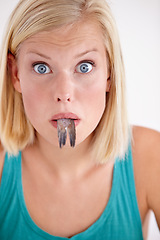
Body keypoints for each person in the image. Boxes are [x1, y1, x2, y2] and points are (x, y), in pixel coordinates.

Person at [0, 0, 159, 239]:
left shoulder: (149, 156)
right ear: (16, 74)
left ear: (109, 73)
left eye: (84, 66)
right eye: (41, 67)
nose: (64, 94)